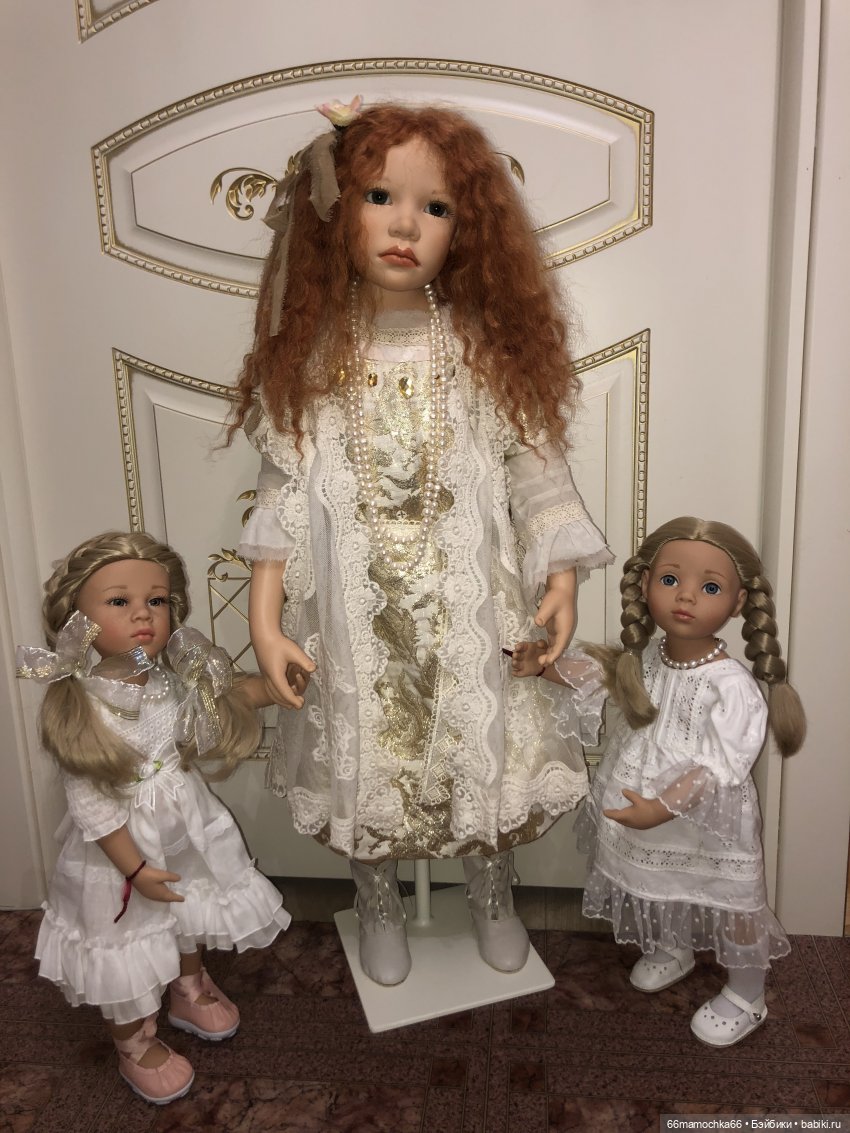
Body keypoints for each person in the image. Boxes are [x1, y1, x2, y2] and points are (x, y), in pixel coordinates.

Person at [228, 99, 612, 986]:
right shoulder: (313, 353)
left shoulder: (478, 347)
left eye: (434, 207)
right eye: (380, 197)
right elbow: (281, 493)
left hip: (467, 607)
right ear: (334, 214)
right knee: (366, 753)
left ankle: (491, 891)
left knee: (480, 749)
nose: (405, 226)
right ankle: (376, 898)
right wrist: (265, 619)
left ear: (464, 229)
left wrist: (558, 581)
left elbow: (535, 469)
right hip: (356, 617)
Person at [17, 532, 292, 1104]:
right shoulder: (83, 704)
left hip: (182, 828)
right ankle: (134, 1040)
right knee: (125, 945)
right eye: (119, 601)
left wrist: (271, 688)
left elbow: (215, 703)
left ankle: (188, 987)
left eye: (157, 600)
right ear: (77, 619)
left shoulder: (163, 675)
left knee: (186, 909)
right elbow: (92, 807)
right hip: (118, 853)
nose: (143, 613)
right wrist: (135, 869)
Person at [510, 516, 806, 1046]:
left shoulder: (731, 685)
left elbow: (717, 766)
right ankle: (674, 947)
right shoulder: (646, 658)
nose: (686, 596)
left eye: (710, 587)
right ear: (646, 584)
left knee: (731, 901)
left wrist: (662, 807)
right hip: (645, 804)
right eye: (671, 579)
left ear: (738, 603)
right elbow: (598, 675)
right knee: (660, 887)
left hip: (704, 819)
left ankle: (748, 993)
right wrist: (544, 667)